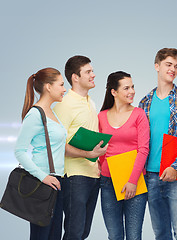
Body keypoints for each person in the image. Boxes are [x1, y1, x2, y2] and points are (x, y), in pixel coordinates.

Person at [139, 48, 177, 240]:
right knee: (161, 234)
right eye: (168, 65)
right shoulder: (144, 102)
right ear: (157, 66)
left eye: (176, 66)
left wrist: (175, 166)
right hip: (151, 176)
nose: (173, 69)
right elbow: (140, 140)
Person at [53, 55, 107, 240]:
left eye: (92, 71)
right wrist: (88, 153)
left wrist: (96, 158)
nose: (93, 74)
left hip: (93, 175)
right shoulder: (64, 104)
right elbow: (57, 144)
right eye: (88, 72)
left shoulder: (89, 102)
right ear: (75, 77)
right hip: (74, 176)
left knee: (83, 232)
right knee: (74, 232)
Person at [14, 67, 67, 240]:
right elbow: (19, 151)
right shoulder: (35, 115)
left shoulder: (51, 113)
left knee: (54, 235)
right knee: (42, 236)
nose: (64, 89)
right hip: (43, 184)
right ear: (48, 87)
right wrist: (43, 177)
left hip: (57, 182)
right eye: (61, 84)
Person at [98, 71, 150, 240]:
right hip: (108, 181)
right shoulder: (101, 117)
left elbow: (143, 149)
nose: (132, 91)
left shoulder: (139, 115)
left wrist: (132, 181)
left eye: (132, 87)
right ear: (114, 92)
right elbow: (99, 148)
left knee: (134, 236)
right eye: (126, 88)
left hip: (135, 181)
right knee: (114, 235)